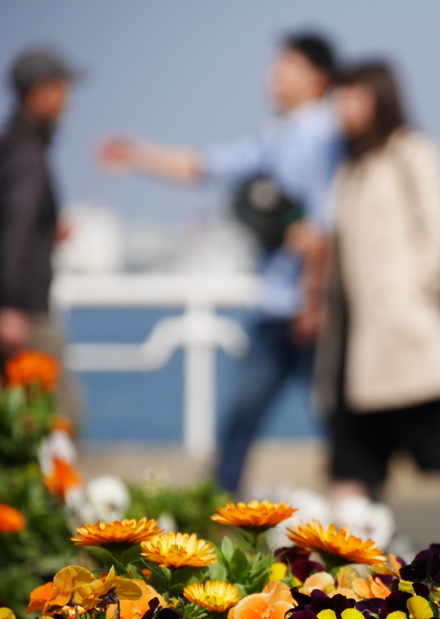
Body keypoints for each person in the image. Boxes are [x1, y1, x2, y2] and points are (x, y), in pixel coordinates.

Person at [98, 33, 341, 494]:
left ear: (317, 77)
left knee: (298, 419)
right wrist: (137, 154)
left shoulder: (320, 136)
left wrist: (313, 301)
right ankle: (225, 509)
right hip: (278, 305)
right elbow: (205, 166)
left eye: (285, 65)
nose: (273, 75)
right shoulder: (277, 136)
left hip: (305, 308)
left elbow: (321, 231)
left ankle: (349, 508)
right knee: (264, 419)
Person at [315, 61, 440, 551]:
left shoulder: (411, 150)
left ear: (378, 98)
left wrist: (417, 293)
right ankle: (344, 554)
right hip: (356, 337)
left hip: (401, 330)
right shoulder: (354, 163)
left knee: (437, 442)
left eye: (352, 96)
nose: (342, 107)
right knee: (351, 452)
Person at [0, 48, 81, 419]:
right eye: (62, 89)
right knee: (62, 415)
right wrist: (12, 304)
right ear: (41, 92)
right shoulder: (27, 155)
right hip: (25, 312)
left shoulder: (16, 147)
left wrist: (49, 230)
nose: (67, 101)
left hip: (19, 307)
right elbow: (16, 227)